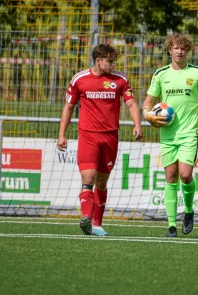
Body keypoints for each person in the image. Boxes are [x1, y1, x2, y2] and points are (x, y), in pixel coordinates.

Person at [58, 44, 142, 236]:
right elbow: (69, 107)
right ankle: (86, 218)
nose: (113, 65)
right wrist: (61, 134)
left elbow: (131, 103)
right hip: (88, 135)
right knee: (88, 177)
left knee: (102, 182)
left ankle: (97, 224)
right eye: (110, 61)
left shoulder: (120, 80)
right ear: (98, 61)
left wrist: (137, 124)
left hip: (111, 136)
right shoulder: (80, 79)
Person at [142, 34, 198, 237]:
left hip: (189, 133)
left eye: (183, 48)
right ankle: (171, 225)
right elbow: (148, 102)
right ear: (169, 50)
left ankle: (189, 211)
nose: (179, 51)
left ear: (187, 51)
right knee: (170, 177)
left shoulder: (196, 73)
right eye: (175, 47)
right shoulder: (161, 74)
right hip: (167, 135)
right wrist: (148, 115)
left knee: (185, 175)